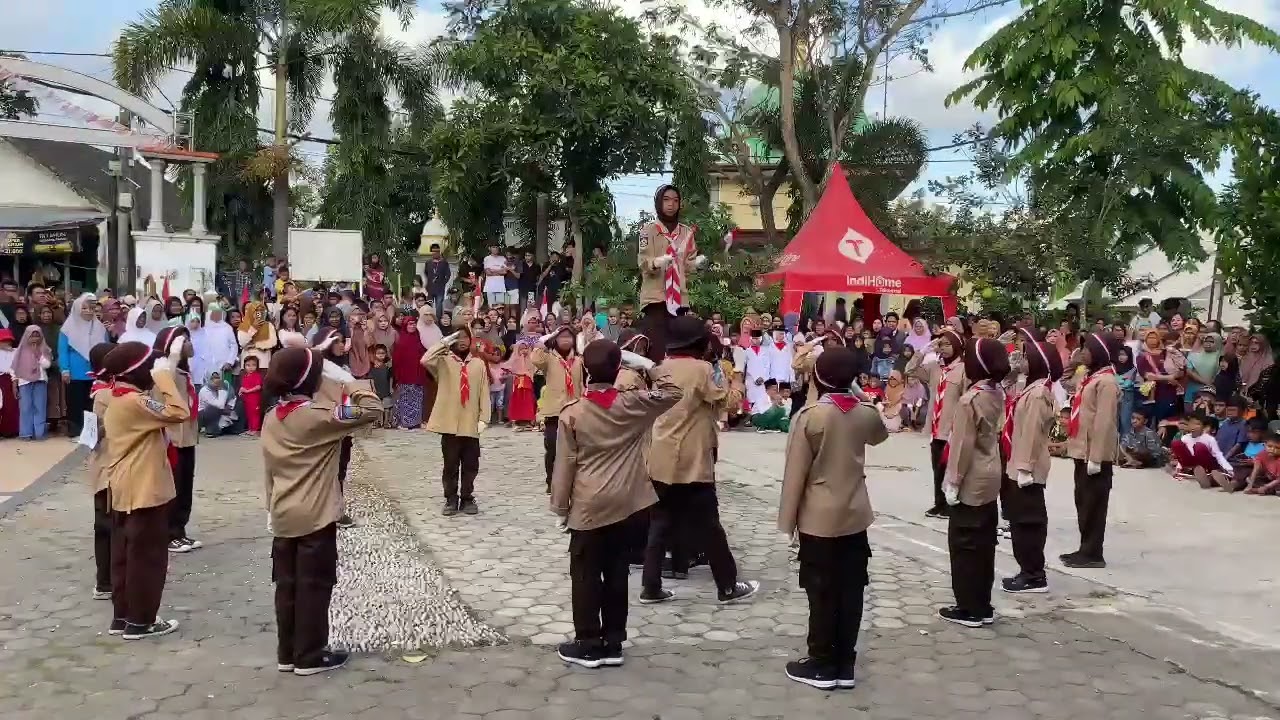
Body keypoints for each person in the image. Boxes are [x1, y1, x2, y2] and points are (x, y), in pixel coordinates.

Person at [550, 340, 682, 669]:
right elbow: (673, 392)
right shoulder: (633, 404)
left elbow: (564, 465)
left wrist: (560, 508)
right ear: (619, 369)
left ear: (585, 370)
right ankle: (613, 640)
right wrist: (648, 364)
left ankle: (588, 641)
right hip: (627, 503)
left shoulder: (573, 412)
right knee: (617, 571)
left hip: (588, 504)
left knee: (585, 574)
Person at [262, 346, 382, 675]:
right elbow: (372, 409)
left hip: (283, 513)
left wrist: (269, 506)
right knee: (314, 585)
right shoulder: (318, 417)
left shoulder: (271, 417)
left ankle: (287, 653)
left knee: (287, 586)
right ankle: (310, 655)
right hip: (315, 515)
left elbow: (268, 470)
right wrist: (345, 379)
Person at [777, 346, 888, 690]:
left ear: (816, 376)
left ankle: (822, 662)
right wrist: (856, 392)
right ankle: (845, 663)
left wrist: (787, 524)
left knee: (821, 590)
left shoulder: (810, 417)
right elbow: (881, 433)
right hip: (855, 514)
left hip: (818, 519)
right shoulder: (864, 413)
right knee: (852, 590)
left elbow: (795, 475)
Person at [641, 315, 758, 605]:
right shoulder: (702, 369)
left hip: (660, 456)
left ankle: (651, 587)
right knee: (710, 527)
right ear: (699, 342)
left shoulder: (661, 368)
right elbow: (728, 402)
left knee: (659, 525)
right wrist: (738, 378)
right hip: (691, 460)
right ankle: (728, 586)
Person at [102, 338, 191, 640]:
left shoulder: (121, 397)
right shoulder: (135, 402)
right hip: (144, 489)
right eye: (148, 368)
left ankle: (123, 616)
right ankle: (142, 621)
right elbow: (179, 411)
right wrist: (166, 376)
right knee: (147, 557)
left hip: (125, 488)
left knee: (125, 555)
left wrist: (171, 363)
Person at [939, 337, 1010, 627]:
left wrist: (953, 481)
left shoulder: (971, 399)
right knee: (984, 545)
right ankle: (983, 603)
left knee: (965, 544)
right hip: (991, 472)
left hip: (972, 477)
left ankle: (969, 607)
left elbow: (962, 445)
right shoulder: (995, 392)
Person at [1001, 339, 1061, 594]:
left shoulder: (1039, 394)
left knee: (1028, 521)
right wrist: (1012, 373)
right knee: (1018, 520)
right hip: (1019, 461)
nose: (1020, 359)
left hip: (1028, 466)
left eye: (1026, 356)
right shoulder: (1032, 387)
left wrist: (1024, 467)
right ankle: (1027, 570)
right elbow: (1008, 398)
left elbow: (1033, 433)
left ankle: (1034, 574)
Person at [1062, 333, 1122, 570]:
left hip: (1094, 453)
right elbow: (1064, 382)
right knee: (1083, 502)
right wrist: (1073, 363)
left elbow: (1104, 422)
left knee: (1094, 504)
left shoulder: (1106, 382)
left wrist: (1096, 457)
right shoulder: (1088, 376)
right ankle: (1085, 548)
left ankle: (1093, 553)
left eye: (1087, 349)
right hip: (1081, 450)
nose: (1083, 352)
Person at [423, 327, 491, 515]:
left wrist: (484, 417)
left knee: (470, 464)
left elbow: (484, 391)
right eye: (458, 337)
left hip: (470, 422)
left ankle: (467, 497)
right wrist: (446, 341)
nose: (462, 340)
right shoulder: (443, 362)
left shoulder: (478, 363)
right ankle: (451, 499)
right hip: (450, 422)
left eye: (465, 337)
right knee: (450, 464)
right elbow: (425, 359)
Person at [636, 185, 706, 363]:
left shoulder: (686, 232)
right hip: (656, 298)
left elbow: (689, 265)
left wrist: (697, 264)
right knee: (657, 349)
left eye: (675, 201)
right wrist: (657, 262)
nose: (671, 204)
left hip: (679, 298)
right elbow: (643, 263)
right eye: (666, 200)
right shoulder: (648, 230)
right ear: (659, 202)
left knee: (679, 347)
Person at [904, 328, 966, 519]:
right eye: (941, 344)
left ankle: (951, 504)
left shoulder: (963, 369)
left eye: (948, 344)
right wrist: (922, 351)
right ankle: (939, 503)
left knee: (950, 467)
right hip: (935, 427)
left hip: (952, 427)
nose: (944, 348)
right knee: (937, 467)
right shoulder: (934, 367)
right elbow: (909, 371)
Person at [153, 327, 202, 554]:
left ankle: (180, 530)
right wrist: (172, 356)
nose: (190, 344)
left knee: (185, 486)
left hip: (187, 437)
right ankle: (169, 533)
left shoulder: (184, 371)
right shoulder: (164, 372)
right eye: (184, 341)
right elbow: (163, 388)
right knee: (173, 486)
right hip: (172, 438)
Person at [532, 327, 584, 492]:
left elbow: (582, 383)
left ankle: (571, 481)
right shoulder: (549, 358)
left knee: (574, 449)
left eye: (569, 337)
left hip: (574, 409)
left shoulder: (578, 360)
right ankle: (552, 481)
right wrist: (545, 343)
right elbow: (535, 359)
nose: (566, 340)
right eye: (562, 337)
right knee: (553, 448)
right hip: (554, 411)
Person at [86, 342, 117, 600]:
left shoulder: (105, 391)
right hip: (108, 466)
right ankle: (106, 580)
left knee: (107, 525)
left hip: (107, 465)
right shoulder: (102, 394)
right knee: (107, 525)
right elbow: (94, 433)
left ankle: (106, 579)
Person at [59, 293, 107, 438]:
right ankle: (75, 431)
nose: (88, 311)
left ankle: (90, 432)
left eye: (91, 308)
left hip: (94, 371)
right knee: (74, 402)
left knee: (91, 403)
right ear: (77, 308)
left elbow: (104, 350)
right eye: (84, 308)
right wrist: (64, 369)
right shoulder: (67, 328)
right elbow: (62, 351)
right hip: (74, 371)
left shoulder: (99, 328)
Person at [1169, 411, 1234, 489]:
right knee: (1177, 445)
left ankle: (1213, 478)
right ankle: (1199, 475)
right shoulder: (1186, 438)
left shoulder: (1210, 439)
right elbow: (1183, 456)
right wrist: (1178, 468)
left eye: (1199, 425)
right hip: (1195, 465)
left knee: (1199, 447)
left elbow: (1218, 455)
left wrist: (1229, 469)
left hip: (1210, 466)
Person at [13, 325, 53, 440]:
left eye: (37, 336)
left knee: (39, 407)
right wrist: (14, 383)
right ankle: (26, 433)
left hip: (40, 381)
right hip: (24, 382)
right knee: (25, 408)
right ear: (27, 336)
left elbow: (47, 365)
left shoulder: (44, 349)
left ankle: (39, 433)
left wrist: (38, 354)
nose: (35, 338)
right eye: (32, 336)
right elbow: (14, 368)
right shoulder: (20, 350)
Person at [390, 315, 428, 429]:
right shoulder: (401, 339)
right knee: (405, 398)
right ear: (405, 325)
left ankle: (416, 422)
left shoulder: (418, 337)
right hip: (405, 375)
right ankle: (405, 422)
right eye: (409, 324)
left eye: (414, 323)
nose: (412, 326)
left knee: (417, 398)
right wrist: (397, 375)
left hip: (417, 374)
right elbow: (397, 359)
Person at [197, 371, 237, 437]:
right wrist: (221, 390)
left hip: (222, 413)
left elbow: (233, 399)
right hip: (204, 415)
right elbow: (219, 405)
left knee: (239, 405)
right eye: (213, 378)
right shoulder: (205, 390)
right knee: (211, 408)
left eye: (218, 377)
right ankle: (211, 430)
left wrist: (229, 407)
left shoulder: (226, 385)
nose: (216, 380)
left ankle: (225, 428)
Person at [369, 344, 395, 426]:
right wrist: (373, 388)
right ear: (374, 354)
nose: (380, 355)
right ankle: (378, 422)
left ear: (386, 354)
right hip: (377, 390)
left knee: (387, 407)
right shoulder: (372, 367)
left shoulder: (388, 366)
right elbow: (371, 379)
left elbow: (391, 378)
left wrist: (391, 388)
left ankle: (386, 422)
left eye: (382, 353)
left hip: (386, 389)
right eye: (378, 353)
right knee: (378, 407)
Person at [239, 355, 265, 435]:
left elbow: (258, 387)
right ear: (244, 366)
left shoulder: (257, 376)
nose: (251, 367)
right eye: (248, 365)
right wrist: (241, 391)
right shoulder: (245, 376)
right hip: (247, 400)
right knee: (249, 414)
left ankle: (255, 429)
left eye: (253, 365)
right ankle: (250, 428)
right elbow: (243, 386)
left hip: (255, 399)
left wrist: (248, 391)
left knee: (255, 414)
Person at [0, 329, 16, 438]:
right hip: (1, 378)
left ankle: (10, 430)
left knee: (11, 405)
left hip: (11, 379)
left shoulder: (15, 351)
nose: (7, 343)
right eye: (4, 340)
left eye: (9, 340)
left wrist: (14, 381)